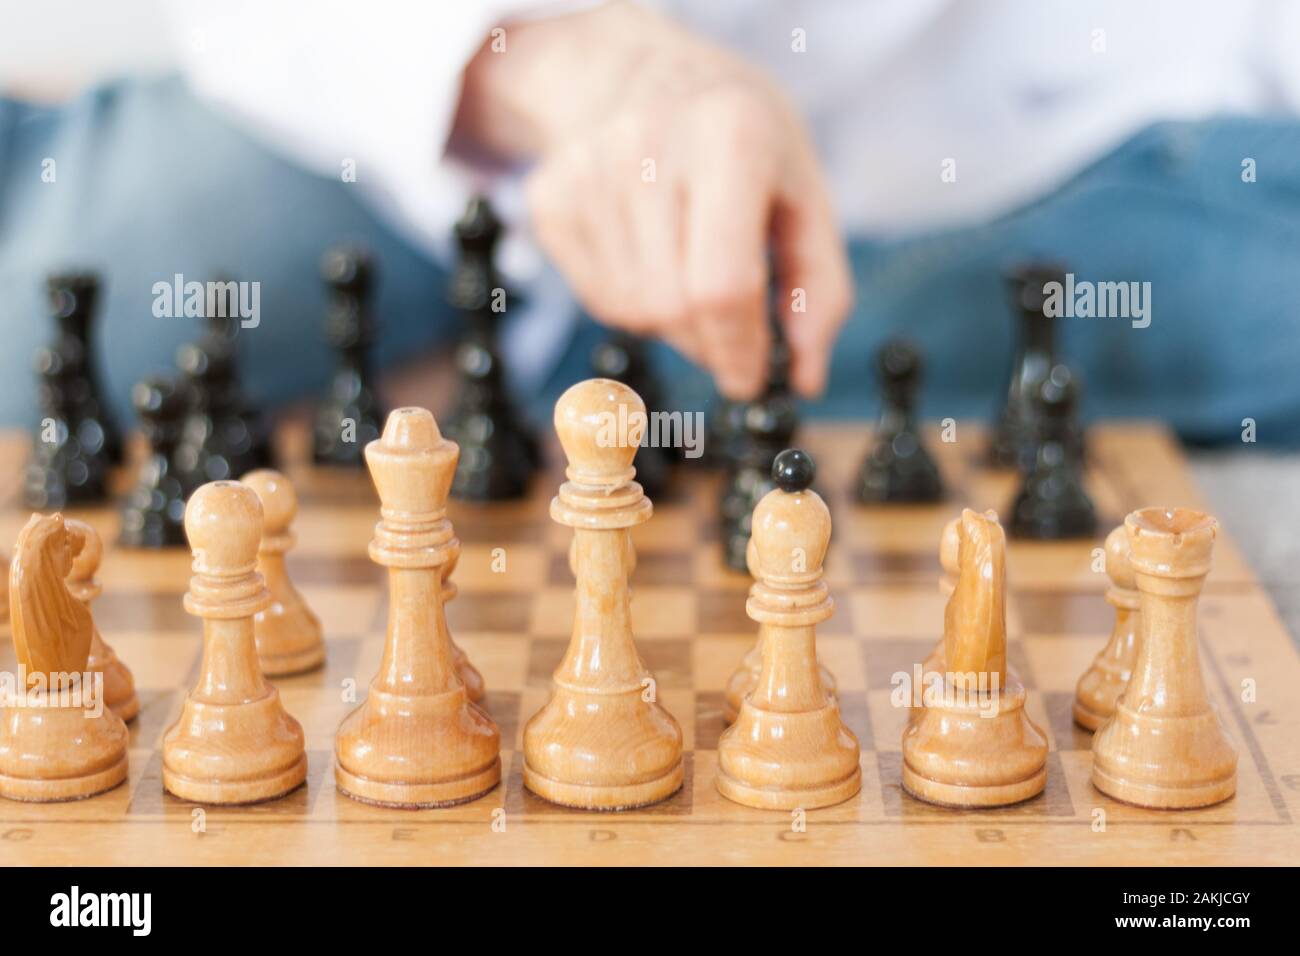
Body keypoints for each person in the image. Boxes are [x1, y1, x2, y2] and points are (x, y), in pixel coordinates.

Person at [1, 0, 1298, 443]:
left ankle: (619, 377)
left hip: (968, 131)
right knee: (36, 338)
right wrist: (572, 67)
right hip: (404, 99)